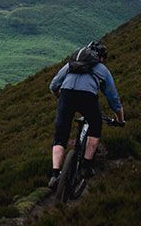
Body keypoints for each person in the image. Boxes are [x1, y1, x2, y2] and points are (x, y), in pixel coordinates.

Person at [48, 41, 125, 191]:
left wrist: (61, 98)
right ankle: (86, 166)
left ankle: (55, 174)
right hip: (87, 98)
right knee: (96, 126)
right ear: (101, 57)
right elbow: (113, 98)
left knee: (60, 135)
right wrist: (120, 119)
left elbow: (53, 86)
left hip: (66, 96)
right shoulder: (102, 69)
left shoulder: (71, 64)